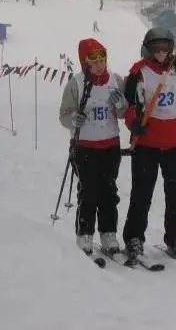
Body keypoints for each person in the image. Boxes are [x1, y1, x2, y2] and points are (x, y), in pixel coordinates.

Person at [121, 27, 176, 261]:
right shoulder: (139, 72)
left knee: (175, 194)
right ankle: (134, 237)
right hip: (147, 143)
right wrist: (134, 123)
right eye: (156, 49)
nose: (161, 54)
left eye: (165, 49)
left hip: (175, 143)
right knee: (142, 192)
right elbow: (130, 105)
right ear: (148, 49)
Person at [59, 38, 128, 255]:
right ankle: (85, 234)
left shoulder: (116, 80)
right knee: (88, 191)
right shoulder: (76, 83)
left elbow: (124, 113)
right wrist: (74, 119)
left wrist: (121, 106)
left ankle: (108, 233)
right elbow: (64, 115)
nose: (99, 64)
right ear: (84, 61)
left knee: (108, 191)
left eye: (102, 58)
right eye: (93, 59)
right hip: (85, 147)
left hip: (110, 145)